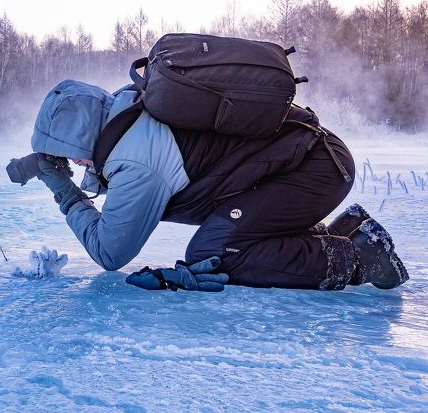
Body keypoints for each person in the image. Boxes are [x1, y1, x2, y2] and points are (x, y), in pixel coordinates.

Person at [28, 79, 409, 291]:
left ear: (84, 140)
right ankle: (348, 231)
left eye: (71, 153)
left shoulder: (136, 157)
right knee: (226, 233)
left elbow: (110, 253)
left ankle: (362, 258)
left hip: (314, 169)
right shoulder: (131, 117)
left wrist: (64, 190)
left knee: (216, 251)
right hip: (307, 160)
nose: (74, 163)